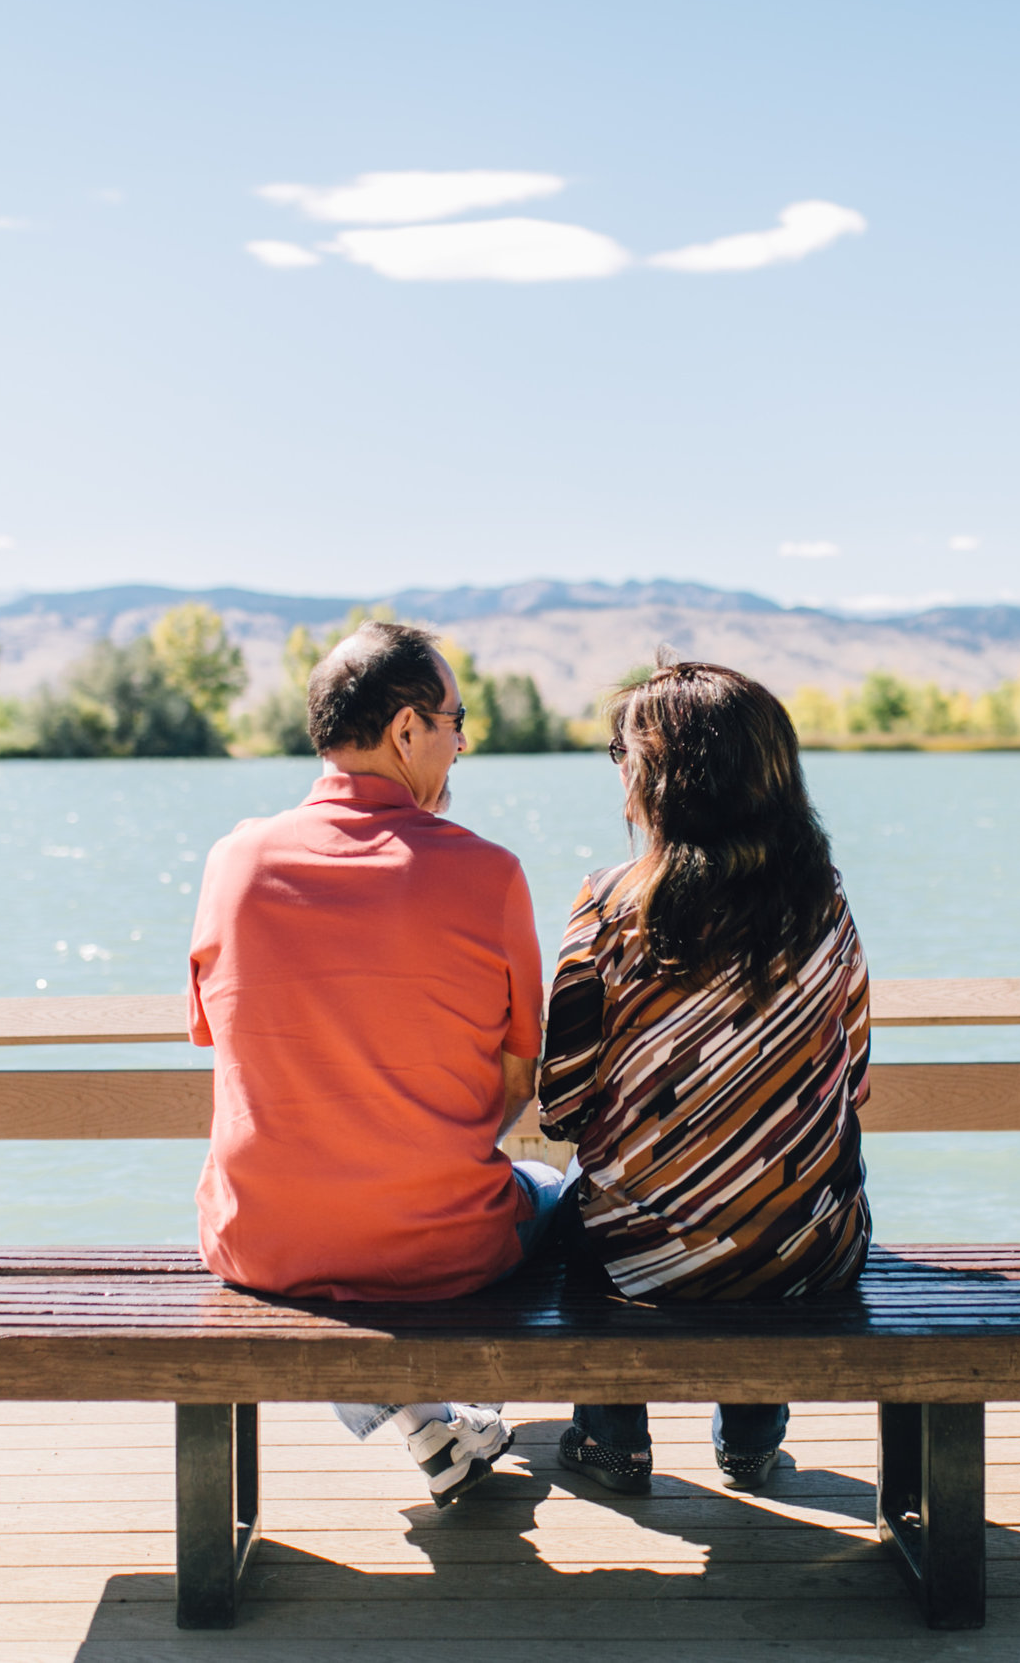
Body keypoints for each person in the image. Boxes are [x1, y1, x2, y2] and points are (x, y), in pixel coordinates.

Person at [187, 619, 570, 1505]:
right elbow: (517, 1086)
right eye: (454, 718)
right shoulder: (491, 873)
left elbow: (221, 1039)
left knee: (324, 1221)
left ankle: (424, 1416)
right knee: (555, 1193)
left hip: (259, 1241)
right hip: (444, 1249)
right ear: (405, 729)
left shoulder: (233, 862)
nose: (463, 739)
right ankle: (466, 1410)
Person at [538, 659, 872, 1494]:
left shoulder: (609, 905)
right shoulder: (824, 904)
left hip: (639, 1259)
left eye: (622, 752)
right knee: (785, 1186)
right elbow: (853, 1075)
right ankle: (752, 1438)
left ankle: (613, 1439)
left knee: (582, 1207)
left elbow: (564, 1103)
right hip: (806, 1255)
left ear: (660, 775)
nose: (618, 775)